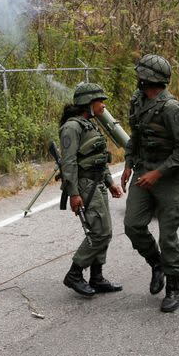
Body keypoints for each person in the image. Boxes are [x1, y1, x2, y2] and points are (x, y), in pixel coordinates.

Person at [121, 54, 179, 312]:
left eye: (141, 75)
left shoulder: (172, 109)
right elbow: (135, 137)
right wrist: (128, 164)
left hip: (168, 178)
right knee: (132, 225)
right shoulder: (137, 101)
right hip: (142, 170)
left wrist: (158, 173)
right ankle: (156, 264)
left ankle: (174, 288)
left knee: (168, 236)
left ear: (149, 79)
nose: (137, 79)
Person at [59, 82, 123, 297]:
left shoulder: (90, 125)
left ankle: (97, 277)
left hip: (98, 184)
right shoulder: (72, 127)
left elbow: (99, 159)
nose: (103, 106)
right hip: (85, 185)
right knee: (99, 232)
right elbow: (69, 163)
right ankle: (75, 274)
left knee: (106, 232)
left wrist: (110, 182)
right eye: (100, 101)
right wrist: (74, 194)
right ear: (88, 103)